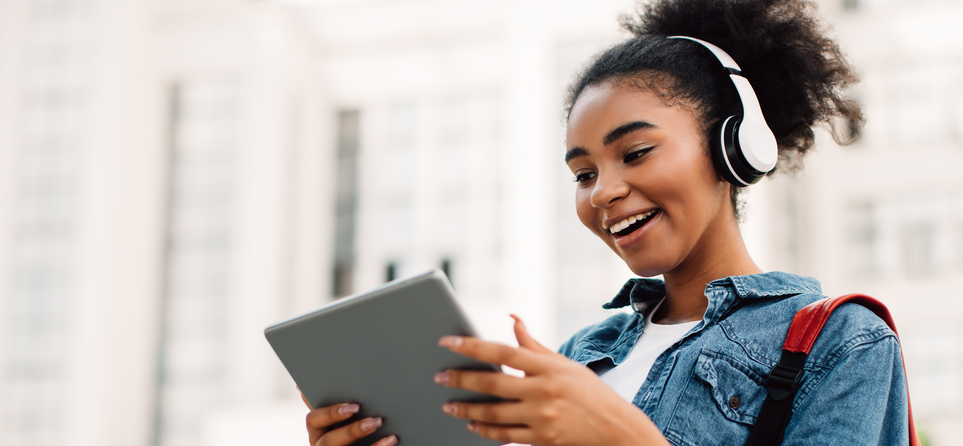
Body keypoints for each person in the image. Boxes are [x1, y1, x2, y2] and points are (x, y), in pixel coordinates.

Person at [303, 0, 911, 444]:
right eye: (583, 173)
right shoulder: (581, 356)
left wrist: (624, 438)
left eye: (636, 152)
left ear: (731, 149)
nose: (604, 192)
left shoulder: (841, 342)